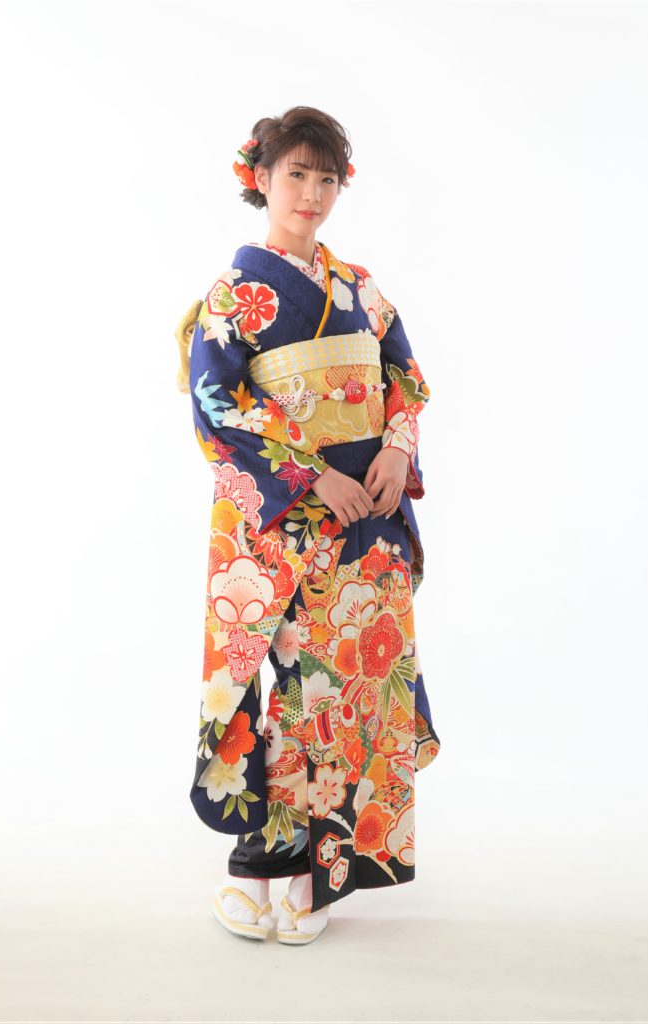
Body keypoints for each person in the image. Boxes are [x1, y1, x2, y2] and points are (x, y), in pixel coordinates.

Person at [174, 106, 441, 945]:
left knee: (351, 690)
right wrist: (312, 475)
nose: (312, 193)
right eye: (296, 174)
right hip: (290, 529)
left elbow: (405, 380)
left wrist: (394, 449)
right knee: (290, 693)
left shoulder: (360, 287)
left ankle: (319, 876)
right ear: (259, 178)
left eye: (327, 178)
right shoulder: (232, 298)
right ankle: (257, 870)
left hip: (369, 521)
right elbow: (219, 409)